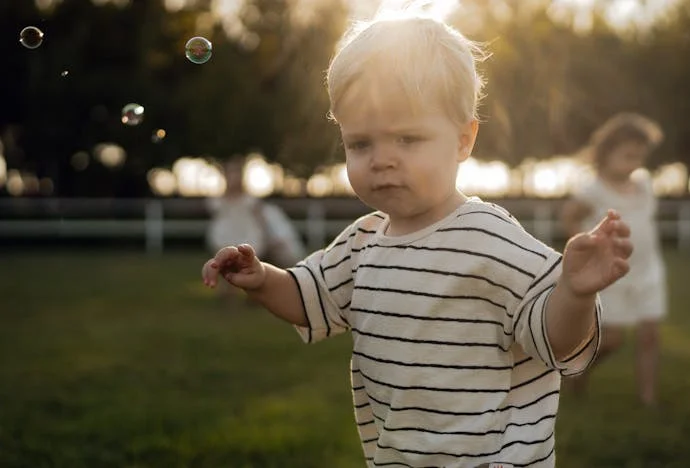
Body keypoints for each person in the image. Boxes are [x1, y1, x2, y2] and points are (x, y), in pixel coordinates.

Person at [202, 13, 633, 467]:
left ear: (463, 140)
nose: (382, 160)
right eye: (360, 144)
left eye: (407, 139)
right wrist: (263, 279)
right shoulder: (362, 243)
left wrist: (574, 293)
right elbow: (310, 298)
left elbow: (556, 341)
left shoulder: (490, 239)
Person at [560, 112, 666, 407]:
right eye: (628, 156)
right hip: (612, 274)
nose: (635, 163)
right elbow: (569, 217)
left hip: (648, 271)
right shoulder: (592, 191)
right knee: (611, 340)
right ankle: (577, 373)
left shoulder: (644, 184)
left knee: (650, 336)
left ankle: (648, 399)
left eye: (639, 157)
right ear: (606, 153)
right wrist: (589, 247)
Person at [206, 156, 306, 300]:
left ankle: (252, 294)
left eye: (236, 174)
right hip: (226, 235)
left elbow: (261, 220)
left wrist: (268, 236)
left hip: (247, 235)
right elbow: (217, 218)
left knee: (247, 265)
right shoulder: (219, 201)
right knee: (226, 264)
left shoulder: (250, 200)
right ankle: (227, 295)